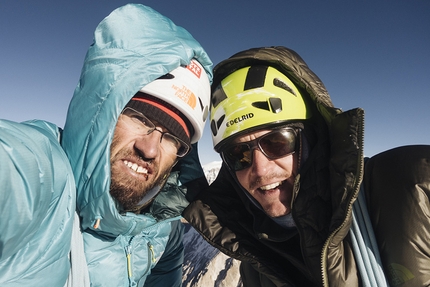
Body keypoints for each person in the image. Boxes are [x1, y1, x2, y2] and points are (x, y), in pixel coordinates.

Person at [0, 4, 212, 287]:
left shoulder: (164, 229)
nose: (150, 149)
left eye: (172, 138)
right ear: (102, 112)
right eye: (140, 117)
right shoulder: (41, 177)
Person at [183, 46, 430, 286]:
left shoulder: (414, 185)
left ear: (312, 138)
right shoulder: (256, 265)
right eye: (238, 154)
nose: (259, 169)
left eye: (277, 142)